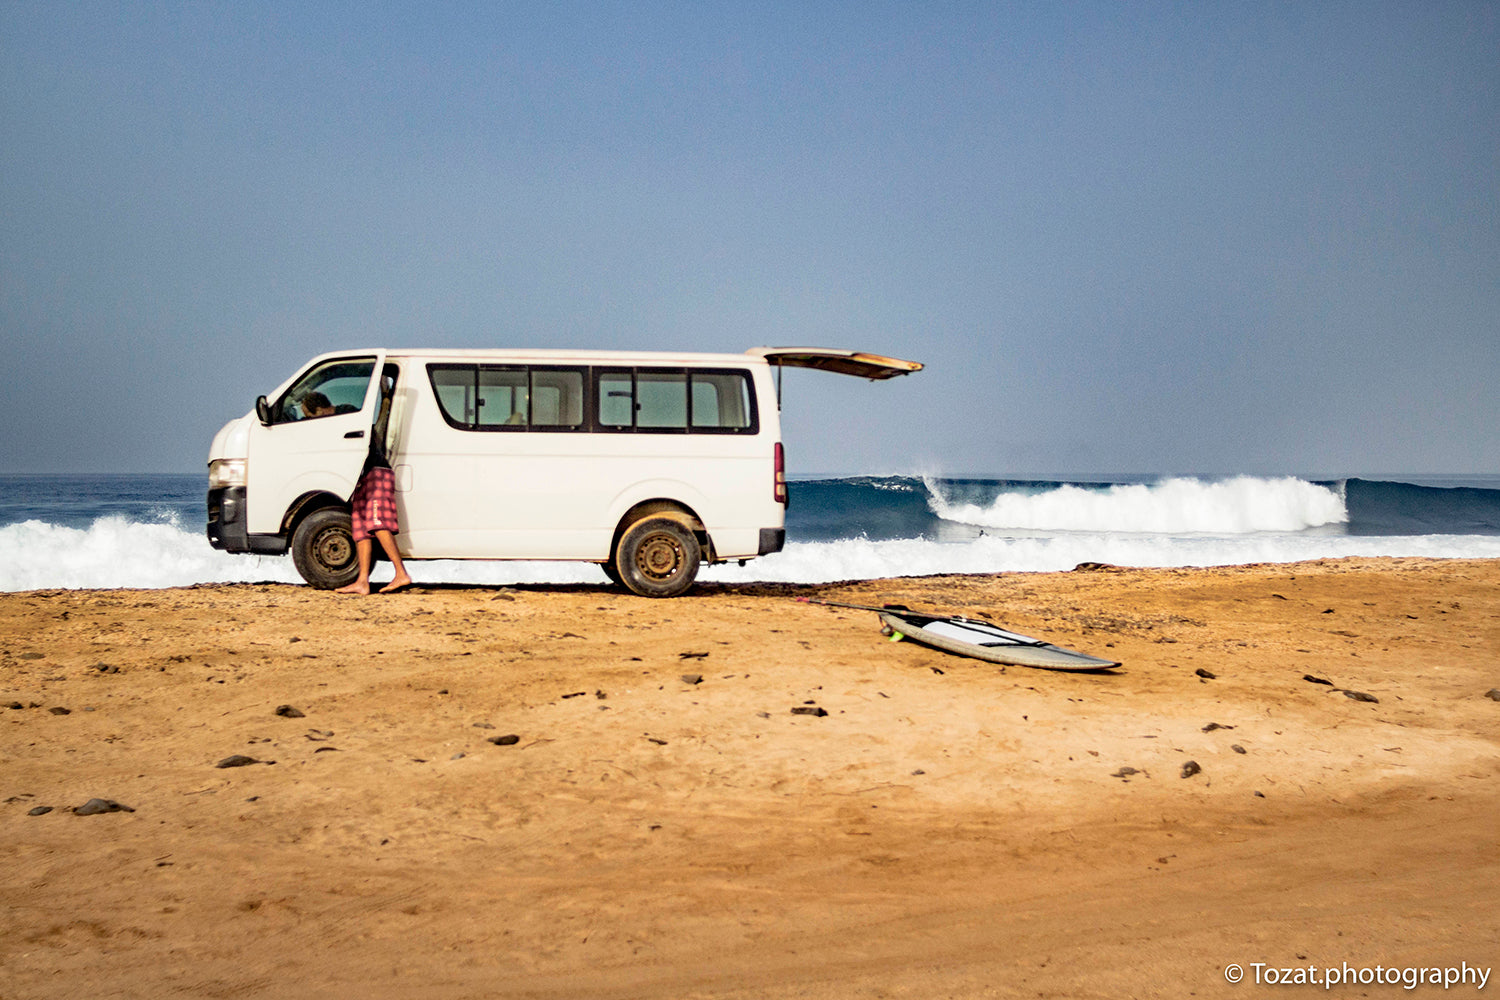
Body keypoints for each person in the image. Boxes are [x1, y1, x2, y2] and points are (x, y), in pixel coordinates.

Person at [336, 383, 412, 596]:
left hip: (377, 473)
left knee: (378, 523)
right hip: (362, 480)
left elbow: (381, 419)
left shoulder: (350, 424)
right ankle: (362, 581)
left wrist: (385, 396)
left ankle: (401, 573)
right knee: (361, 528)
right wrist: (385, 396)